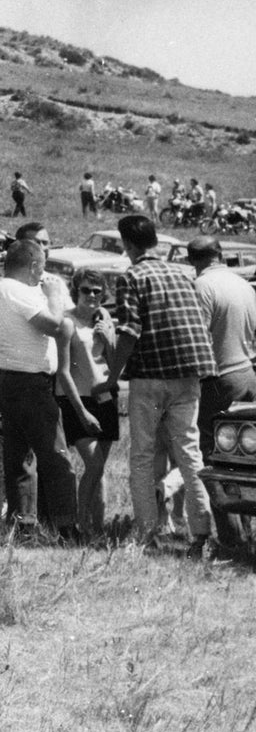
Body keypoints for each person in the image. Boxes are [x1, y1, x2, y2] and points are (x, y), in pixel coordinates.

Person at [101, 214, 218, 551]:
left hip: (151, 375)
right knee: (189, 455)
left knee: (142, 455)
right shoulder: (183, 275)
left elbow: (130, 332)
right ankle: (201, 535)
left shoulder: (133, 276)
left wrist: (111, 374)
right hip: (190, 374)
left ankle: (148, 533)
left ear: (128, 244)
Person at [0, 236, 81, 539]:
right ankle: (66, 527)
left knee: (19, 457)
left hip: (10, 379)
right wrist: (56, 293)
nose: (43, 274)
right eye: (42, 267)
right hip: (31, 382)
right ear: (33, 265)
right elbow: (55, 325)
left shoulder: (8, 289)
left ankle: (24, 525)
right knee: (57, 456)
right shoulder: (16, 290)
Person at [189, 237, 256, 547]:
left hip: (218, 377)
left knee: (214, 457)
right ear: (220, 254)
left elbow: (198, 335)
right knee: (243, 457)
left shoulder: (202, 286)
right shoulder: (243, 284)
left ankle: (232, 537)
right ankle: (247, 530)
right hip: (247, 372)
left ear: (194, 260)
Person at [63, 275, 117, 534]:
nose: (92, 295)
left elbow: (117, 366)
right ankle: (81, 525)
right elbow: (62, 373)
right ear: (76, 291)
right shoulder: (67, 321)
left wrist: (109, 340)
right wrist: (81, 412)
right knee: (93, 465)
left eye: (97, 291)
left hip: (105, 396)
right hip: (78, 399)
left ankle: (99, 527)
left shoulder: (104, 321)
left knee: (99, 470)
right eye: (86, 290)